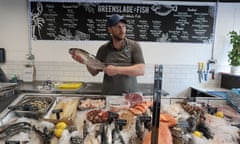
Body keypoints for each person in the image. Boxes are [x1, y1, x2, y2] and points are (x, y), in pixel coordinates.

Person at [71, 14, 145, 95]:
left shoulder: (134, 46)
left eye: (124, 26)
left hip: (130, 96)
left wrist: (116, 70)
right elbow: (94, 72)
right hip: (108, 95)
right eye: (118, 27)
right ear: (110, 29)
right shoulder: (103, 49)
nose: (122, 30)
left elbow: (140, 70)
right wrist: (86, 62)